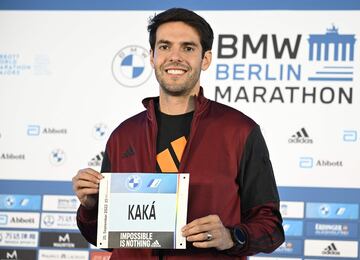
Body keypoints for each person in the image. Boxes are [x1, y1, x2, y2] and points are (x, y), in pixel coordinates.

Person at [72, 8, 285, 259]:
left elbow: (271, 228)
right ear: (151, 57)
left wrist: (231, 236)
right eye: (164, 47)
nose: (175, 57)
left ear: (205, 59)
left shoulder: (240, 131)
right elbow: (105, 238)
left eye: (187, 48)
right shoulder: (123, 135)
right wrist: (91, 207)